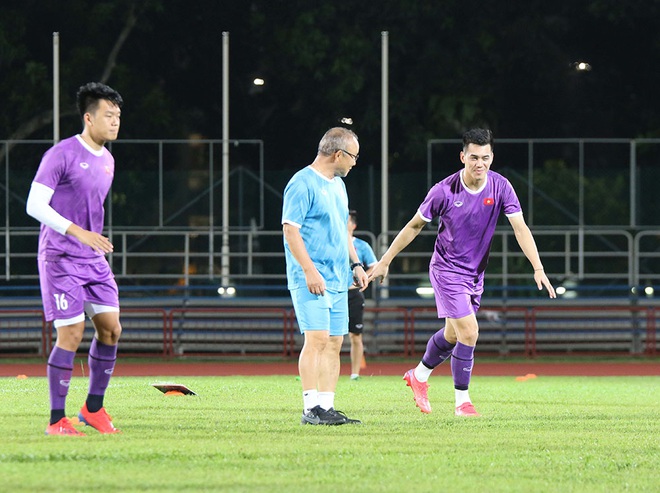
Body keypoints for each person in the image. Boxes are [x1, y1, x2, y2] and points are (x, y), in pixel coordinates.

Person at [368, 128, 555, 417]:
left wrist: (538, 267)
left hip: (475, 274)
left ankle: (418, 376)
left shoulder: (501, 186)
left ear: (492, 157)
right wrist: (385, 260)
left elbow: (520, 228)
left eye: (485, 157)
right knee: (470, 331)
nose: (480, 163)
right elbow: (414, 226)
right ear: (462, 157)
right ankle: (462, 402)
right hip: (446, 270)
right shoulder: (443, 190)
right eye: (474, 157)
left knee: (453, 336)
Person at [26, 82, 124, 435]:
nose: (115, 122)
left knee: (111, 329)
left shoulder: (108, 160)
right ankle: (56, 420)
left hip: (92, 258)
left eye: (118, 116)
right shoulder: (61, 154)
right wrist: (78, 232)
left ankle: (92, 409)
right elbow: (34, 205)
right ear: (89, 118)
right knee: (71, 333)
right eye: (108, 115)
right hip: (61, 257)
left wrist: (89, 239)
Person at [282, 127, 368, 425]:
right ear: (338, 154)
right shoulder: (302, 182)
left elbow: (343, 230)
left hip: (338, 278)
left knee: (334, 342)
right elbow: (290, 231)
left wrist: (355, 264)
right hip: (311, 278)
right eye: (354, 156)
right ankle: (310, 408)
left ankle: (326, 407)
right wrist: (309, 271)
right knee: (316, 340)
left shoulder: (338, 185)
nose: (355, 162)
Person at [347, 210, 377, 380]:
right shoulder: (332, 242)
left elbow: (374, 265)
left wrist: (363, 277)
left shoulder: (362, 245)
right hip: (333, 292)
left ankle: (355, 374)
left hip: (353, 294)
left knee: (355, 335)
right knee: (327, 336)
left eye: (347, 221)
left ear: (353, 225)